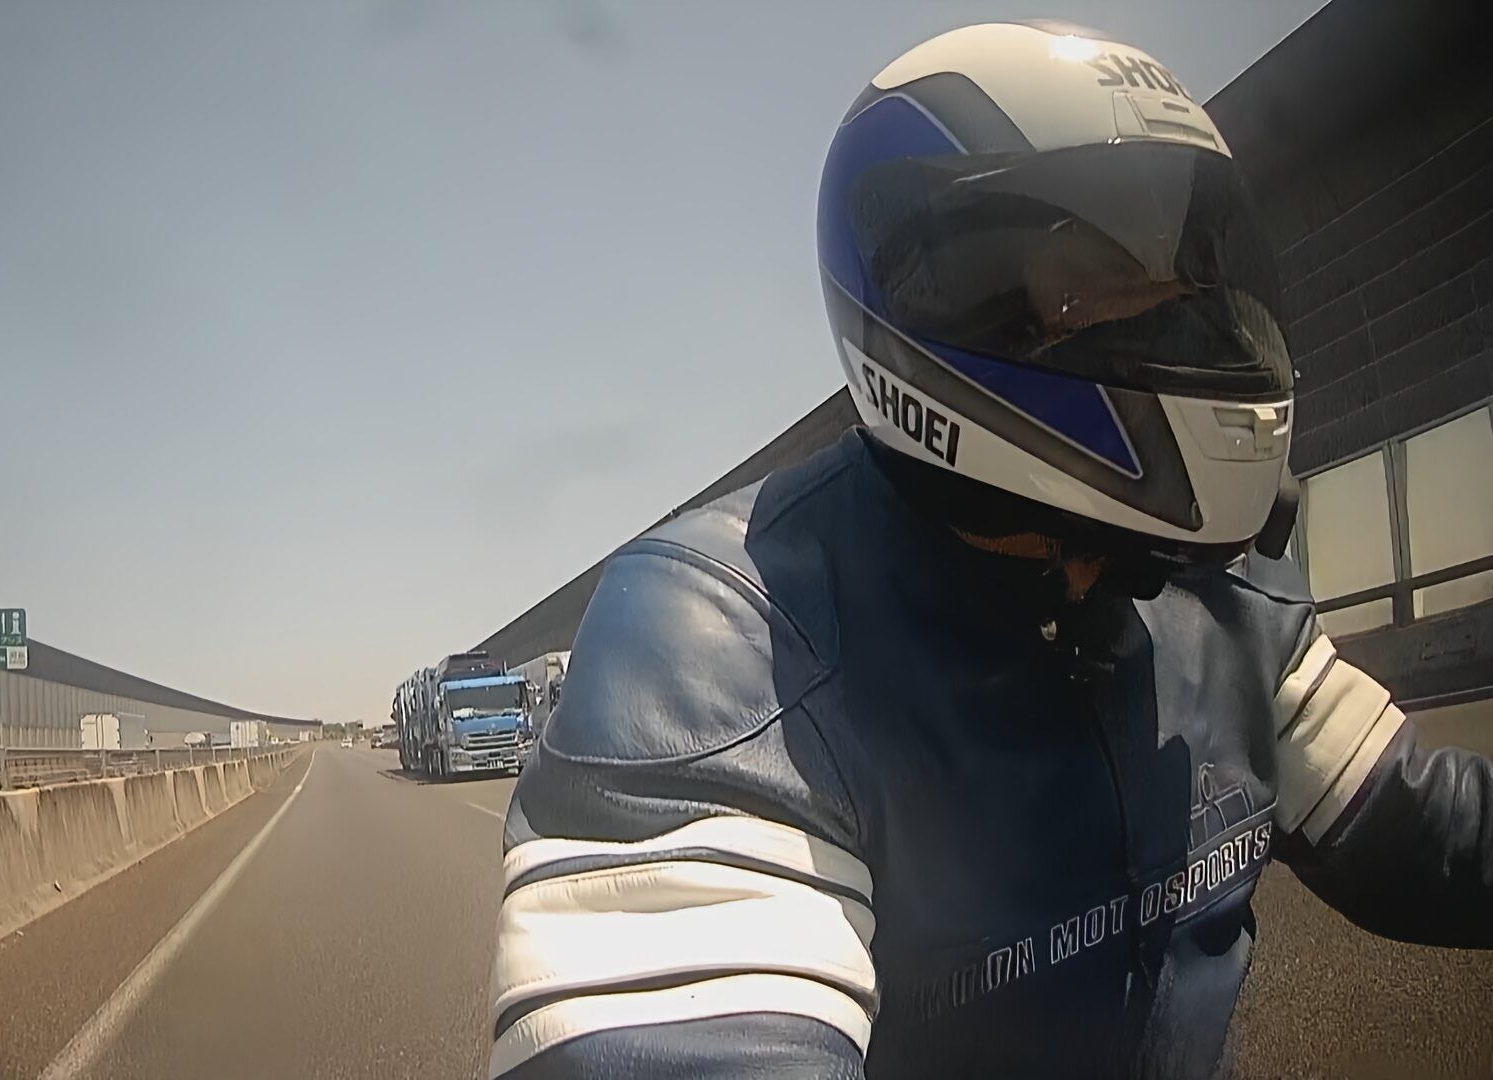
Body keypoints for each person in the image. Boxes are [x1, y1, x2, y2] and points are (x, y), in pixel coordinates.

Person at [486, 22, 1493, 1080]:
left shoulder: (1228, 592)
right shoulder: (720, 644)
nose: (1179, 314)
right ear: (954, 299)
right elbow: (679, 1046)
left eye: (1186, 278)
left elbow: (1423, 833)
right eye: (1100, 282)